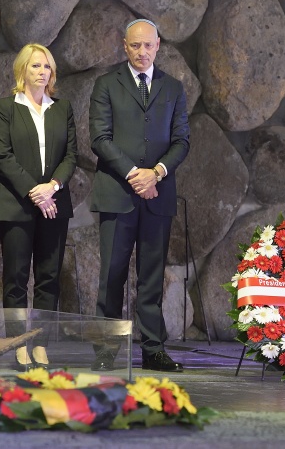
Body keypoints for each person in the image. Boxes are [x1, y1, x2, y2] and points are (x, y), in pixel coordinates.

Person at [89, 18, 190, 372]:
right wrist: (135, 175)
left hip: (158, 196)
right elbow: (99, 139)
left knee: (151, 276)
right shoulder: (106, 85)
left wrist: (156, 173)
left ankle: (153, 350)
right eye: (135, 45)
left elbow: (181, 141)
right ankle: (106, 350)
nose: (142, 52)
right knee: (112, 275)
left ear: (158, 45)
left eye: (148, 45)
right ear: (124, 45)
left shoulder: (174, 88)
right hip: (118, 194)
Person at [0, 43, 77, 370]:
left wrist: (51, 188)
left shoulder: (62, 108)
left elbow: (71, 156)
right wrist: (33, 191)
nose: (42, 72)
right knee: (15, 279)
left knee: (48, 278)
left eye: (46, 67)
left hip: (54, 204)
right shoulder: (5, 108)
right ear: (22, 71)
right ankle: (18, 344)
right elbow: (3, 156)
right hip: (16, 205)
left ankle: (40, 343)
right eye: (35, 66)